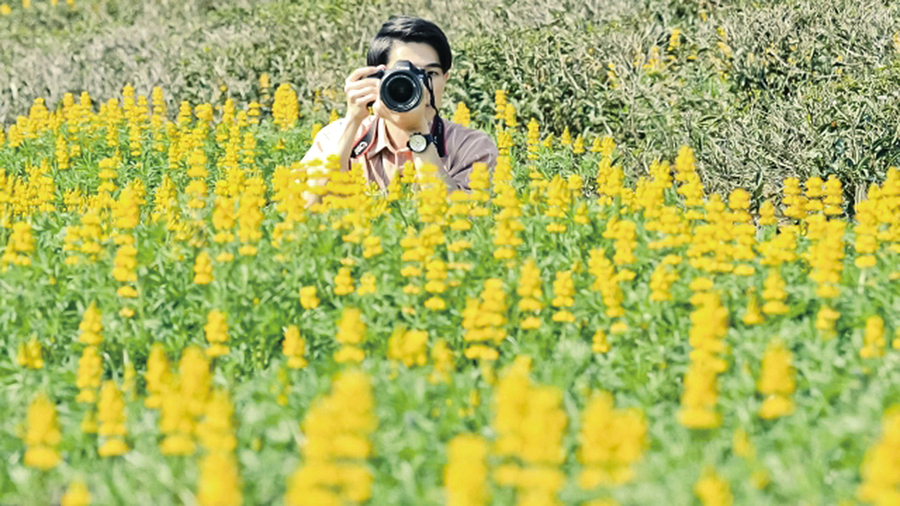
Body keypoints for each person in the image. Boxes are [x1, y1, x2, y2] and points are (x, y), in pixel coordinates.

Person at [299, 16, 499, 206]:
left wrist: (418, 133)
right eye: (404, 75)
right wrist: (352, 121)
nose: (419, 86)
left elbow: (464, 225)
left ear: (445, 79)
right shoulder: (333, 138)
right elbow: (303, 211)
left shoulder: (471, 148)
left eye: (430, 74)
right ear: (376, 78)